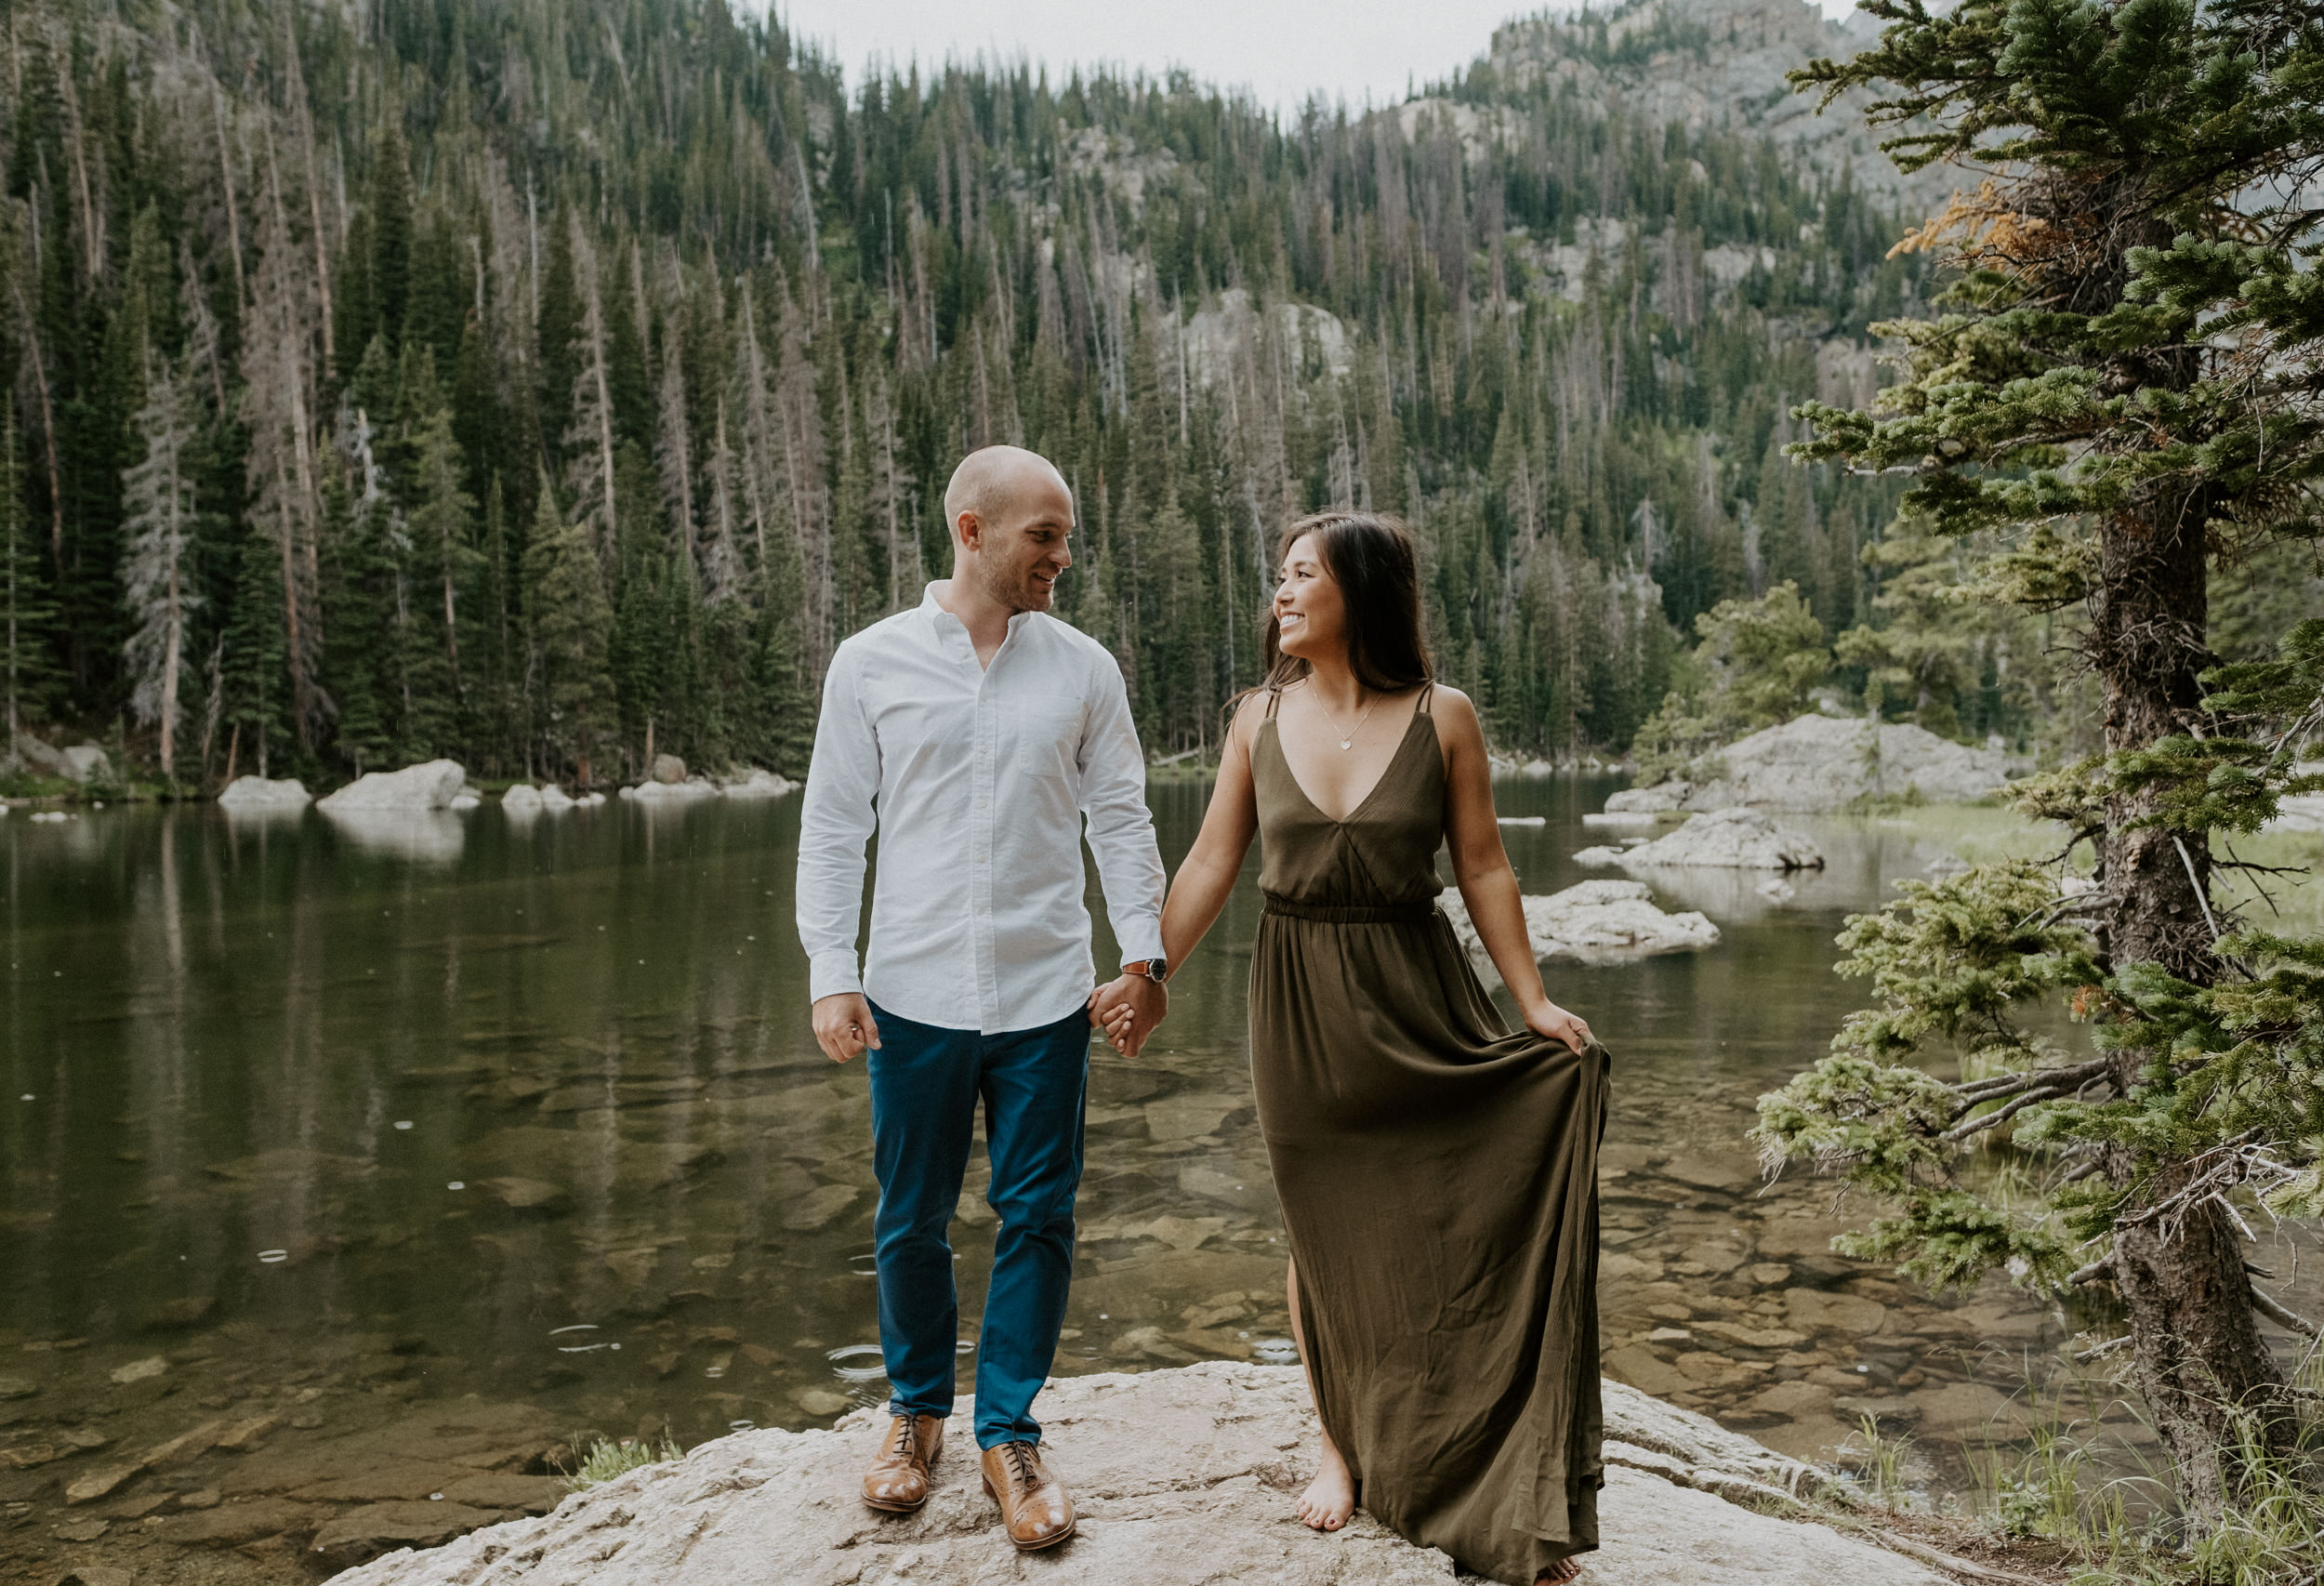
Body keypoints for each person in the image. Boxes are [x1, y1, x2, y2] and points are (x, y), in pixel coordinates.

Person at [1095, 510, 1608, 1585]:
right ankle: (1340, 1445)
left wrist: (1533, 1004)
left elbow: (1484, 869)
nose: (1278, 595)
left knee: (1445, 1216)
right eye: (1278, 578)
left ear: (1359, 593)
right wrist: (1147, 975)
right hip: (1298, 1002)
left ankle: (1486, 1463)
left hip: (1417, 993)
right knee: (1320, 1225)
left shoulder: (1444, 715)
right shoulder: (1254, 717)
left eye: (1299, 578)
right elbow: (1205, 866)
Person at [796, 444, 1169, 1554]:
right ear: (971, 529)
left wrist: (1141, 958)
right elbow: (831, 828)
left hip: (1048, 994)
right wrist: (832, 970)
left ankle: (1008, 1431)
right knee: (908, 1217)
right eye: (1043, 535)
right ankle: (914, 1418)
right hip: (909, 993)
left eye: (1066, 535)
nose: (1062, 554)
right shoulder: (869, 663)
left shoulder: (1083, 668)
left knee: (1038, 1214)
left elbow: (1123, 819)